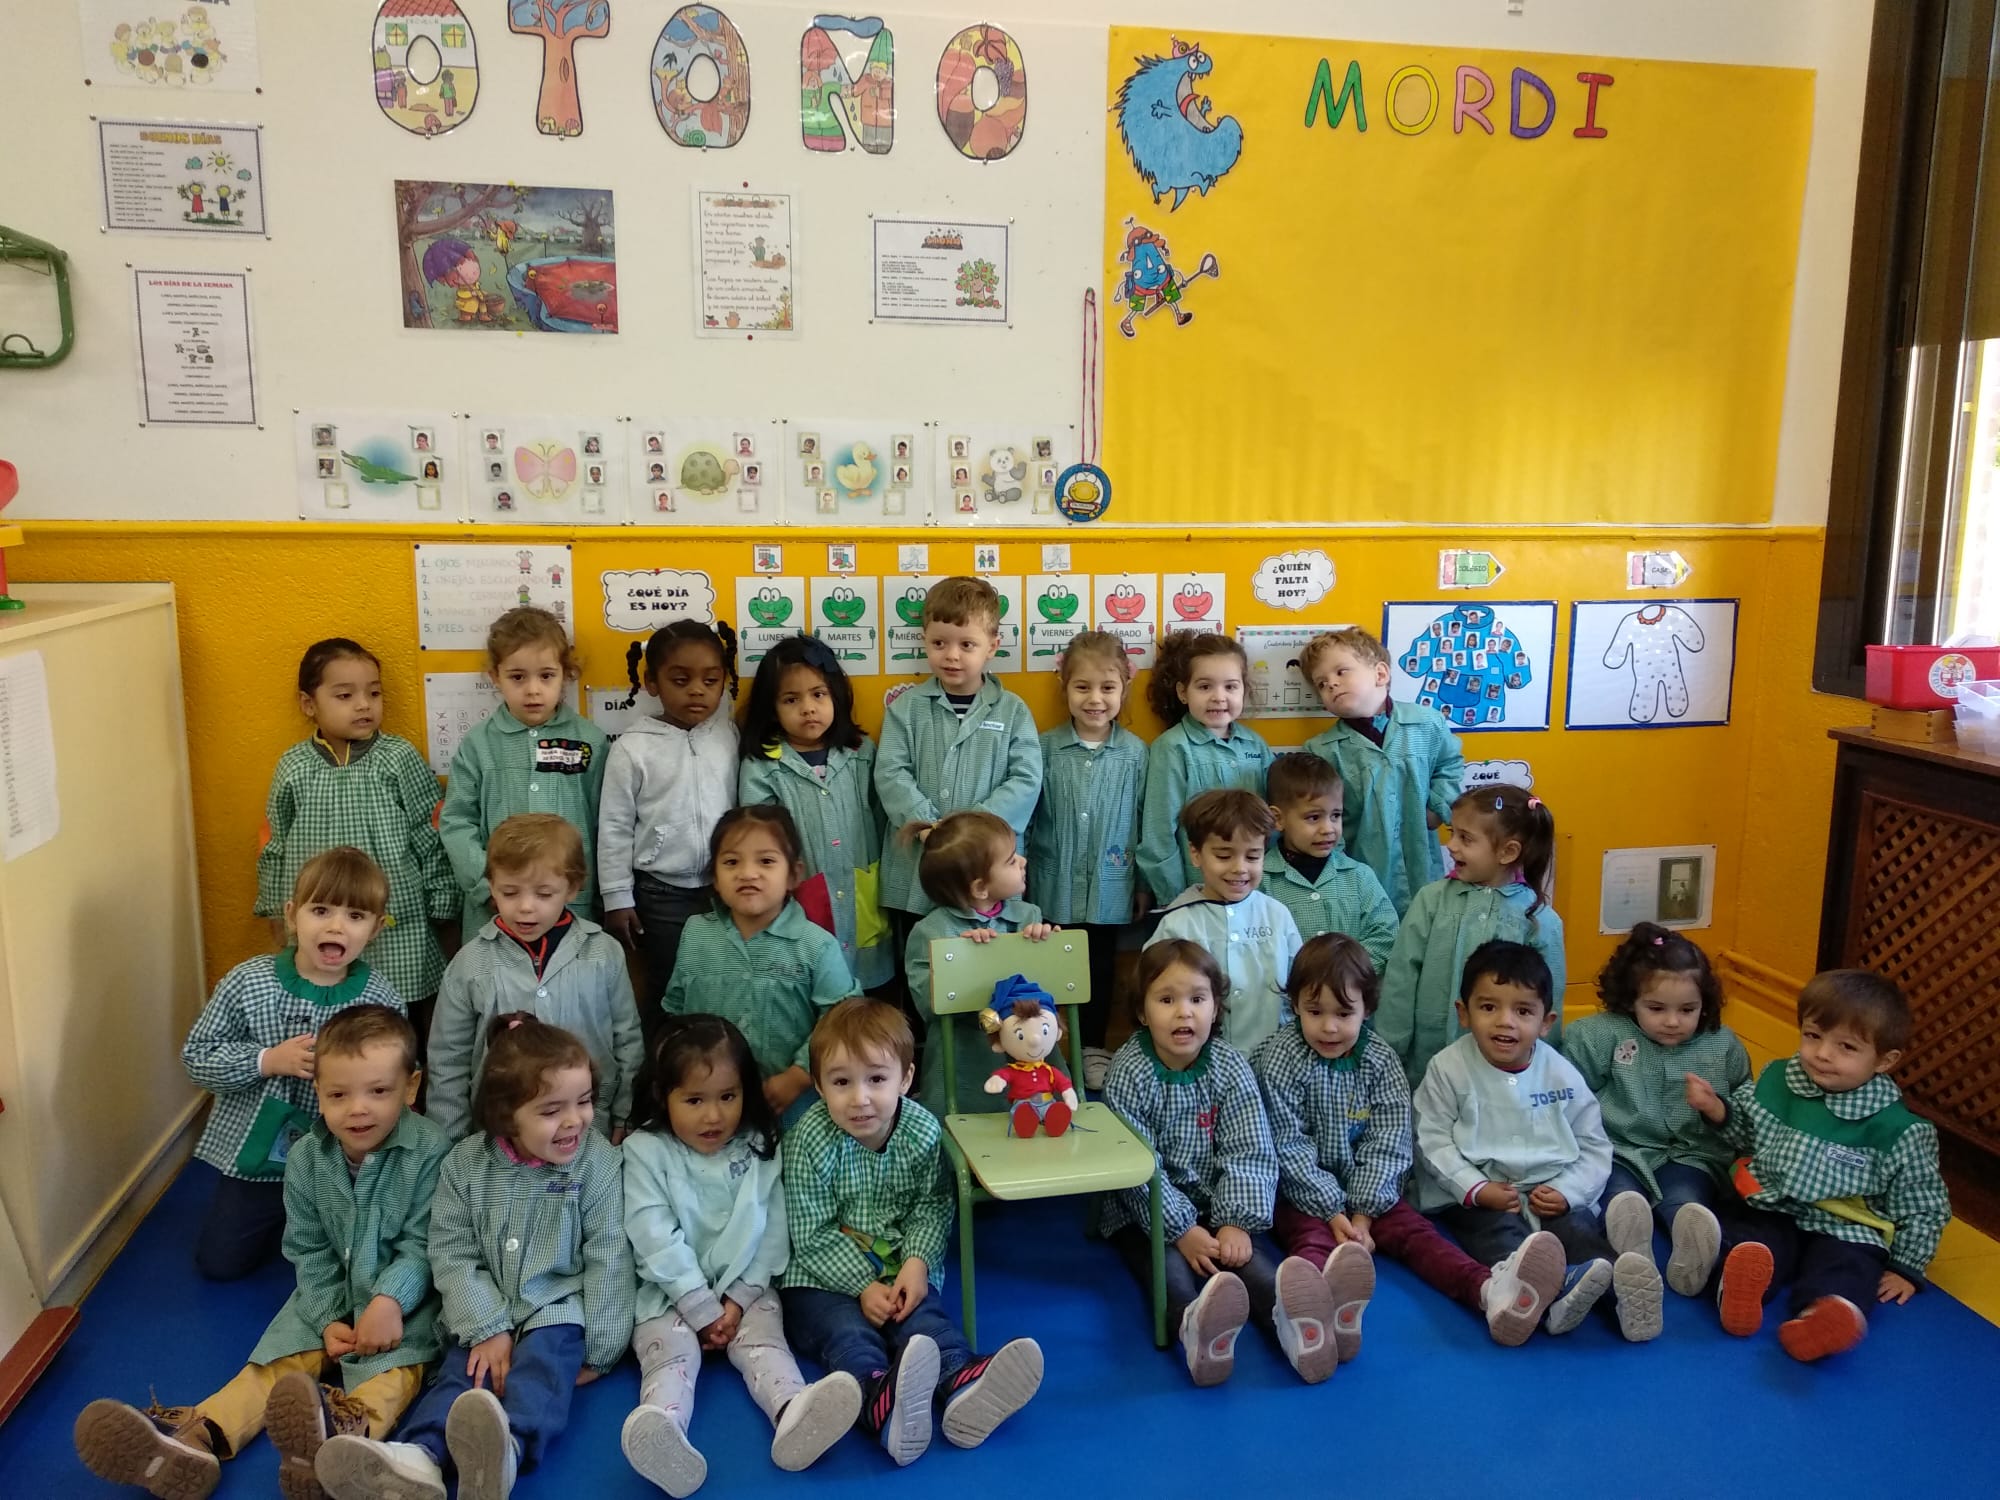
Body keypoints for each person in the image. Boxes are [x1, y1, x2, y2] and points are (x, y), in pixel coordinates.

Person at [76, 1007, 450, 1500]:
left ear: (410, 1086)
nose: (358, 1109)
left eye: (378, 1091)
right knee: (276, 1362)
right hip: (330, 1291)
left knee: (394, 1373)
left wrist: (389, 1301)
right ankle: (199, 1436)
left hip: (406, 1305)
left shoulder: (432, 1151)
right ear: (319, 1092)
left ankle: (345, 1441)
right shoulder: (307, 1157)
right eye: (339, 1095)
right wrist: (325, 1317)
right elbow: (308, 1246)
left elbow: (425, 1243)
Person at [317, 1016, 635, 1500]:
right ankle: (421, 1457)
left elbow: (609, 1254)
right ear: (507, 1115)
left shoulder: (598, 1165)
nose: (576, 1120)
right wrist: (487, 1327)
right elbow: (451, 1251)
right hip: (481, 1309)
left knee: (541, 1375)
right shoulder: (464, 1166)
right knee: (460, 1377)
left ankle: (508, 1448)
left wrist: (603, 1348)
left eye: (585, 1101)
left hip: (557, 1308)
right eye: (552, 1110)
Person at [1253, 936, 1566, 1350]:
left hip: (1372, 1192)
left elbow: (1389, 1142)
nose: (1329, 1027)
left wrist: (1363, 1215)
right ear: (1294, 1006)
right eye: (1315, 1012)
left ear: (1367, 1009)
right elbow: (1286, 1145)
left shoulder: (1380, 1061)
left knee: (1419, 1236)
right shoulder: (1280, 1059)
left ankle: (1488, 1291)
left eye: (1344, 1013)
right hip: (1301, 1192)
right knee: (1312, 1241)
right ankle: (1312, 1316)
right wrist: (1331, 1211)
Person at [780, 999, 1042, 1466]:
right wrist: (862, 1286)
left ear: (905, 1078)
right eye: (841, 1082)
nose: (860, 1098)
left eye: (876, 1079)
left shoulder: (921, 1130)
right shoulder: (808, 1140)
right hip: (822, 1279)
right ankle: (878, 1400)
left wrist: (918, 1262)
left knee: (925, 1323)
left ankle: (962, 1381)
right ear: (819, 1086)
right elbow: (811, 1232)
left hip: (899, 1264)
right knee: (847, 1334)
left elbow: (932, 1204)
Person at [621, 1015, 861, 1495]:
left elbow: (773, 1227)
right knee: (670, 1357)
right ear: (663, 1096)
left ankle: (793, 1412)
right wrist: (699, 1306)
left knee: (767, 1346)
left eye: (727, 1097)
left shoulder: (758, 1144)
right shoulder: (645, 1150)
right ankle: (663, 1431)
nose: (713, 1116)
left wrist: (736, 1300)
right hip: (668, 1294)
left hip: (744, 1291)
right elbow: (653, 1235)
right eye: (694, 1100)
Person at [1101, 941, 1339, 1386]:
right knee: (1169, 1271)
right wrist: (1180, 1230)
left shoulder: (1229, 1066)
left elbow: (1250, 1148)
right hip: (1146, 1211)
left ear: (1215, 1009)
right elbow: (1137, 1168)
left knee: (1249, 1262)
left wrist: (1235, 1222)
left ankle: (1297, 1324)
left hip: (1215, 1199)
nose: (1184, 1012)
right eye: (1166, 1000)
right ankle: (1195, 1328)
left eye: (1197, 999)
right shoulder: (1128, 1072)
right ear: (1142, 1012)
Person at [1687, 970, 1950, 1362]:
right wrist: (1717, 1110)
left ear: (1884, 1060)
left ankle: (1825, 1317)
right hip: (1774, 1206)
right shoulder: (1779, 1079)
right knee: (1749, 1243)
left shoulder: (1898, 1129)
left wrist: (1907, 1266)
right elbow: (1746, 1133)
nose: (1823, 1053)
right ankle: (1738, 1289)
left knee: (1850, 1266)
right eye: (1813, 1036)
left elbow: (1923, 1204)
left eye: (1846, 1047)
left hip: (1845, 1227)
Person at [1412, 942, 1663, 1342]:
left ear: (1546, 1022)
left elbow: (1594, 1146)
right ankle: (1540, 1296)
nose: (1505, 1022)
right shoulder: (1448, 1068)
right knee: (1503, 1241)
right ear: (1463, 1013)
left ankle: (1622, 1295)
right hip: (1482, 1195)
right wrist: (1476, 1188)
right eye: (1488, 1007)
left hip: (1551, 1189)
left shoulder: (1561, 1074)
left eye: (1523, 1011)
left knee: (1579, 1234)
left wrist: (1566, 1191)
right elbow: (1431, 1139)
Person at [183, 848, 406, 1280]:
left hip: (342, 1162)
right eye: (320, 910)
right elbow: (198, 1057)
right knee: (220, 1264)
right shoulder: (247, 982)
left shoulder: (380, 999)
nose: (336, 926)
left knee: (354, 1263)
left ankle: (315, 1223)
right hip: (258, 1160)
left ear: (376, 928)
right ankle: (280, 1219)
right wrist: (266, 1060)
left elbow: (392, 1079)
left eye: (355, 916)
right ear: (292, 915)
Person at [256, 639, 457, 1054]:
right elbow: (275, 842)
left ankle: (404, 1085)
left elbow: (429, 829)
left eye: (374, 693)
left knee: (399, 1023)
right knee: (330, 1019)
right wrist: (276, 908)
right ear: (309, 704)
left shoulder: (398, 758)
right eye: (345, 696)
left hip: (397, 918)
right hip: (321, 918)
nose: (364, 705)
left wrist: (442, 896)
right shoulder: (294, 767)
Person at [426, 814, 642, 1142]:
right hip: (500, 1137)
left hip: (588, 1130)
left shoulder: (604, 954)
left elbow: (627, 1041)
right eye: (510, 892)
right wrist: (451, 1142)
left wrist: (625, 1113)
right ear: (491, 885)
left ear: (572, 888)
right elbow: (448, 1062)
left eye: (544, 894)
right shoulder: (468, 964)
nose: (526, 907)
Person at [1562, 924, 1748, 1294]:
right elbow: (1568, 1096)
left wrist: (1716, 1108)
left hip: (1691, 1154)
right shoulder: (1600, 1035)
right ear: (1631, 999)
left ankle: (1691, 1250)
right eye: (1656, 1008)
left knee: (1686, 1196)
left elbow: (1748, 1112)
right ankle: (1632, 1246)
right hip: (1620, 1150)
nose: (1673, 1021)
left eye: (1688, 1009)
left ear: (1705, 1004)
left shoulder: (1721, 1044)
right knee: (1618, 1192)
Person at [662, 807, 857, 1124]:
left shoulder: (816, 945)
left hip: (792, 1108)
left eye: (766, 861)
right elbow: (676, 1013)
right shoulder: (695, 933)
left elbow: (841, 1022)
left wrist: (798, 1075)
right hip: (710, 1109)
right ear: (715, 877)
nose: (748, 873)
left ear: (793, 875)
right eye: (731, 862)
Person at [875, 577, 1042, 931]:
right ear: (924, 639)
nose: (951, 655)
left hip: (990, 873)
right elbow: (890, 773)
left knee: (991, 954)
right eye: (939, 643)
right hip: (919, 868)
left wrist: (973, 833)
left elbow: (1026, 779)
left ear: (992, 646)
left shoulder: (1012, 710)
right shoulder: (905, 709)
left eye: (967, 644)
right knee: (921, 952)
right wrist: (928, 827)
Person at [598, 621, 741, 1032]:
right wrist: (616, 898)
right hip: (661, 895)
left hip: (724, 890)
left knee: (723, 981)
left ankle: (720, 1061)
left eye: (710, 680)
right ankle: (666, 1063)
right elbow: (614, 826)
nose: (697, 690)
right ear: (652, 682)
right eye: (680, 680)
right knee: (668, 987)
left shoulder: (728, 736)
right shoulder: (633, 747)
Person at [1377, 785, 1567, 1085]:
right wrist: (1390, 1050)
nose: (1451, 846)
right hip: (1425, 1067)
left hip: (1504, 1076)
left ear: (1508, 852)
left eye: (1465, 838)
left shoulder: (1541, 921)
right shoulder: (1431, 901)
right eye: (1452, 833)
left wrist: (1540, 1073)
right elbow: (1401, 977)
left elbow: (1548, 1003)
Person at [1027, 630, 1147, 1088]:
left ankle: (1093, 1047)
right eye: (1083, 687)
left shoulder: (1136, 753)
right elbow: (1028, 816)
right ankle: (1040, 1049)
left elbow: (1144, 819)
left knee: (1098, 969)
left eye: (1107, 687)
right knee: (1046, 966)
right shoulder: (1043, 748)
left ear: (1124, 688)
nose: (1095, 699)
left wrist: (1142, 883)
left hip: (1110, 887)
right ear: (1064, 687)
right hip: (1051, 883)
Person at [737, 634, 891, 991]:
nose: (808, 708)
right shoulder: (762, 765)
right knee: (812, 986)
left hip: (863, 898)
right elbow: (759, 840)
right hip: (801, 900)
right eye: (791, 699)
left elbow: (883, 817)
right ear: (771, 707)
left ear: (835, 694)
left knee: (871, 998)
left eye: (818, 694)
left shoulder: (861, 751)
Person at [439, 606, 607, 930]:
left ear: (566, 674)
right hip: (494, 910)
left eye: (546, 676)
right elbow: (457, 821)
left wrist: (598, 892)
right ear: (495, 677)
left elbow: (606, 822)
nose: (532, 690)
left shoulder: (591, 742)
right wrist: (486, 885)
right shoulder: (478, 745)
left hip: (571, 907)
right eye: (517, 677)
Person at [1299, 627, 1464, 916]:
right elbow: (1321, 814)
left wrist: (1438, 807)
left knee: (1425, 924)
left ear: (1380, 674)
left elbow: (1449, 764)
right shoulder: (1321, 750)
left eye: (1341, 672)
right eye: (1322, 684)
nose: (1332, 684)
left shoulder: (1427, 723)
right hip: (1363, 869)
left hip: (1422, 864)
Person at [903, 810, 1055, 1116]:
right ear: (980, 888)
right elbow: (929, 1004)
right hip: (963, 1063)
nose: (1023, 861)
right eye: (1011, 861)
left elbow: (1056, 988)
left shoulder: (1029, 917)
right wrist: (968, 959)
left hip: (1030, 1053)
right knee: (963, 1125)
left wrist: (1047, 945)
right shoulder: (931, 931)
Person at [1147, 789, 1302, 1055]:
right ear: (1196, 853)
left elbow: (1299, 987)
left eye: (1252, 856)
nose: (1240, 868)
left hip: (1274, 1058)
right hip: (1203, 1062)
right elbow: (1155, 998)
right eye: (1223, 856)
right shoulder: (1176, 923)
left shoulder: (1278, 915)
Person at [1138, 631, 1273, 903]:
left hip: (1252, 896)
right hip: (1195, 895)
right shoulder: (1173, 748)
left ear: (1244, 690)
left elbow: (1274, 821)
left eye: (1230, 687)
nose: (1218, 697)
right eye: (1204, 686)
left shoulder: (1256, 745)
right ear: (1183, 692)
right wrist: (1177, 901)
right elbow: (1158, 835)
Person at [1260, 753, 1397, 969]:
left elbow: (1385, 935)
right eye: (1313, 817)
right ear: (1278, 818)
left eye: (1336, 815)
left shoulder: (1359, 877)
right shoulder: (1261, 882)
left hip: (1351, 988)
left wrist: (1345, 974)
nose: (1328, 829)